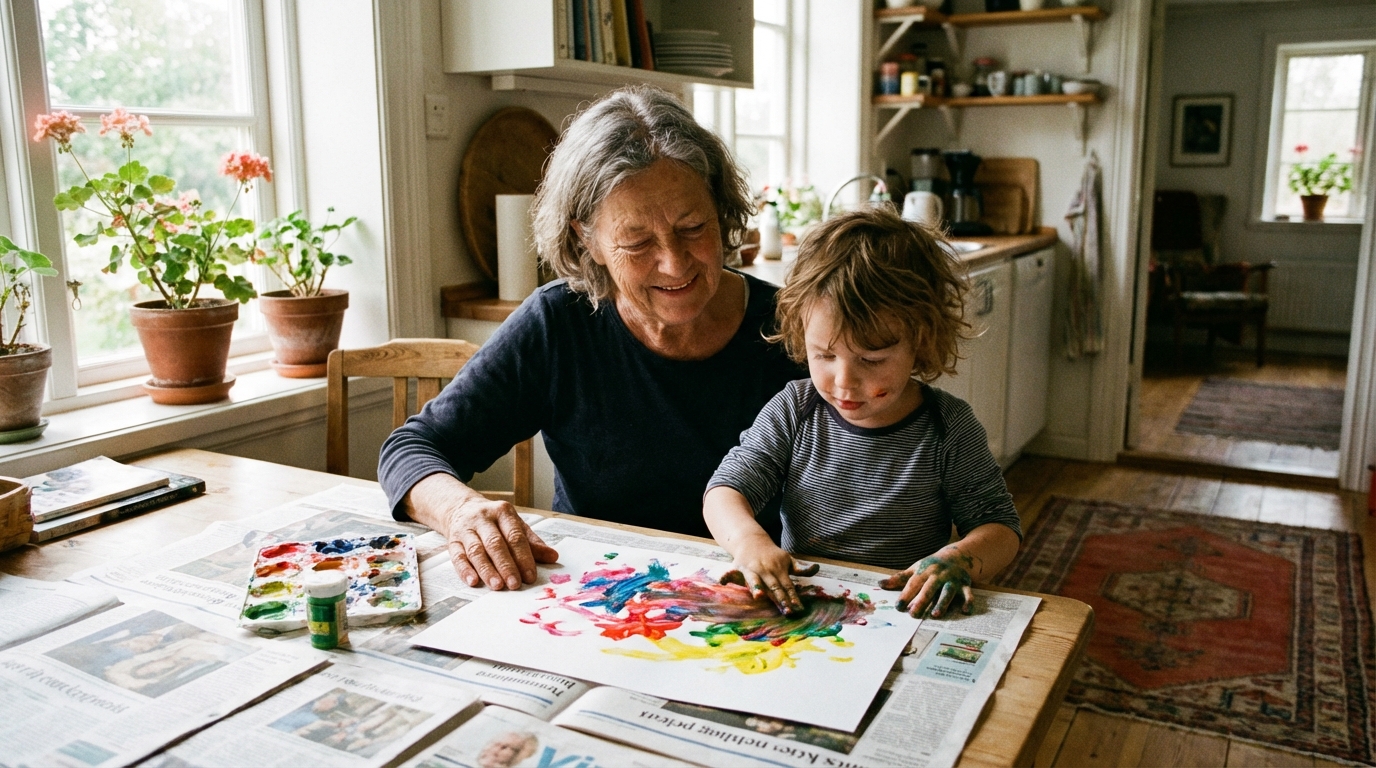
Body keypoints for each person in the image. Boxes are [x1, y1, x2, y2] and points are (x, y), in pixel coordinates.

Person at [378, 86, 801, 592]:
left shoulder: (793, 328)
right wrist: (460, 510)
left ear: (721, 209)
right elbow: (412, 448)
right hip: (602, 602)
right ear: (588, 239)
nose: (674, 262)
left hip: (759, 605)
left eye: (692, 227)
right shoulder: (559, 324)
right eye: (637, 242)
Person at [703, 208, 1022, 619]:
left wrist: (958, 558)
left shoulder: (948, 427)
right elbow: (725, 491)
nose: (844, 381)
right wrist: (749, 541)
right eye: (825, 355)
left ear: (920, 343)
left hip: (902, 613)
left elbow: (1000, 529)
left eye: (871, 359)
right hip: (806, 611)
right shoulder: (794, 410)